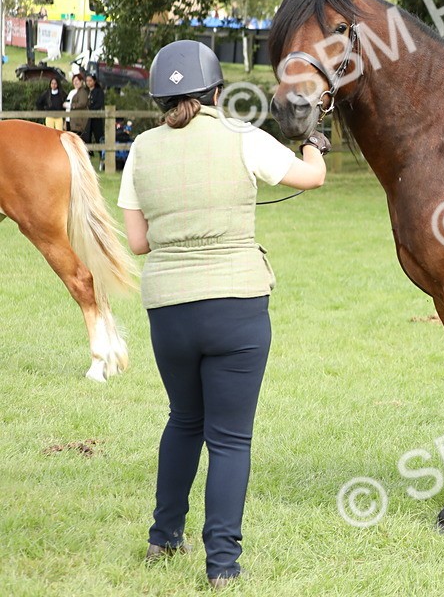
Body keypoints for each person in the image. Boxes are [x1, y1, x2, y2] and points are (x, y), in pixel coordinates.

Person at [119, 41, 328, 590]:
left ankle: (163, 538)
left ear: (162, 96)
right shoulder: (242, 137)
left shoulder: (140, 150)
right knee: (231, 439)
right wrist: (314, 143)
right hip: (236, 305)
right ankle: (223, 566)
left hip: (169, 309)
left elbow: (138, 241)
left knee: (183, 420)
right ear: (215, 91)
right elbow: (312, 179)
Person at [84, 73, 105, 144]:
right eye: (87, 81)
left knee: (98, 135)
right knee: (86, 135)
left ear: (94, 81)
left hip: (96, 116)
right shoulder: (85, 91)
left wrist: (90, 109)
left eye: (90, 80)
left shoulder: (99, 91)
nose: (88, 82)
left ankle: (101, 152)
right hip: (86, 117)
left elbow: (99, 103)